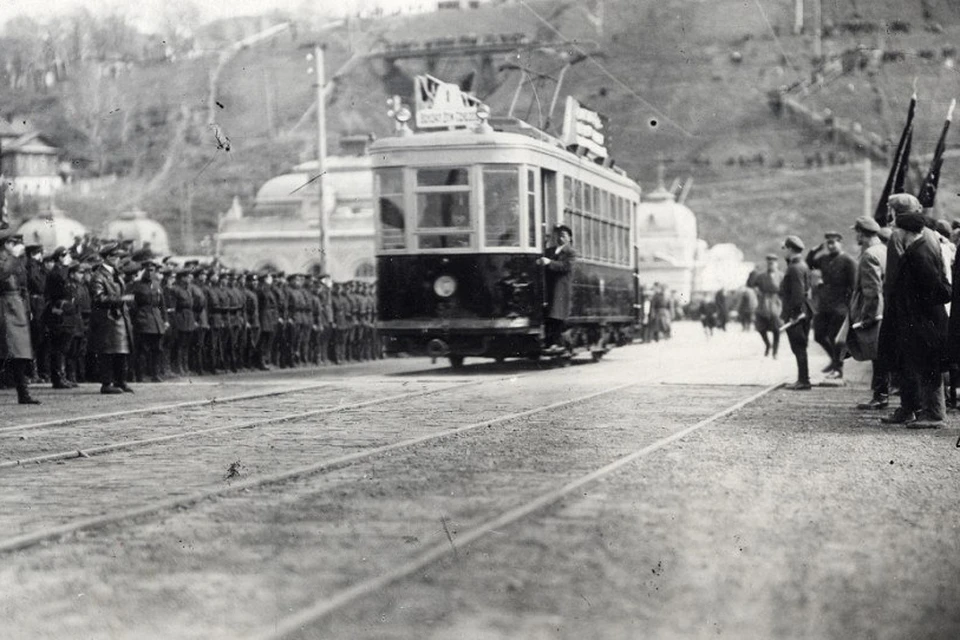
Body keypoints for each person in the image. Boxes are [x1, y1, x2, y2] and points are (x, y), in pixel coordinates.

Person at [881, 198, 950, 428]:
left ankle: (934, 414)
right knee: (922, 364)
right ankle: (926, 411)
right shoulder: (921, 246)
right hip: (924, 318)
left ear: (905, 232)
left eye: (897, 230)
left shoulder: (918, 254)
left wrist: (918, 308)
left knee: (928, 366)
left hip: (924, 320)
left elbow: (939, 290)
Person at [847, 217, 888, 410]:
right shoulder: (883, 250)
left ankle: (880, 396)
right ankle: (881, 394)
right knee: (881, 354)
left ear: (862, 233)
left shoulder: (869, 255)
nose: (856, 236)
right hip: (885, 310)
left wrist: (868, 317)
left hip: (874, 312)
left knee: (876, 354)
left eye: (857, 232)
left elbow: (872, 290)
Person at [806, 231, 857, 380]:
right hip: (825, 304)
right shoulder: (824, 259)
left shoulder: (848, 261)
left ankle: (838, 369)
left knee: (835, 337)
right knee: (819, 335)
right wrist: (814, 250)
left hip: (840, 305)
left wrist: (849, 306)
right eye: (828, 243)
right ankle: (834, 361)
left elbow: (853, 286)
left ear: (840, 243)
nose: (830, 245)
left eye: (833, 242)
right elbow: (810, 263)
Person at [88, 242, 135, 394]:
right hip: (107, 319)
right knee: (108, 352)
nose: (118, 260)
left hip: (119, 317)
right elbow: (98, 298)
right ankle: (106, 383)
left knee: (121, 351)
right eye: (116, 257)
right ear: (108, 257)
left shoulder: (115, 274)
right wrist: (121, 299)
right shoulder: (98, 276)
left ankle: (121, 381)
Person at [0, 229, 40, 404]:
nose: (13, 246)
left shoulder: (15, 261)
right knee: (9, 350)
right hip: (4, 306)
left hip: (16, 305)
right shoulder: (6, 261)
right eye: (10, 243)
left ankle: (23, 393)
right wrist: (13, 258)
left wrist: (27, 307)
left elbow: (24, 284)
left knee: (20, 352)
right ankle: (22, 392)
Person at [779, 235, 813, 390]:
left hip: (796, 314)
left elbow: (798, 294)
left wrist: (794, 315)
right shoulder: (802, 265)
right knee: (800, 347)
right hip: (803, 311)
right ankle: (803, 378)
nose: (784, 252)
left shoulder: (794, 268)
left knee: (798, 347)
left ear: (790, 249)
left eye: (785, 248)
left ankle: (803, 380)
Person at [537, 224, 576, 352]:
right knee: (550, 315)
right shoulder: (550, 250)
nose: (561, 238)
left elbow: (565, 266)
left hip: (560, 288)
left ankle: (556, 343)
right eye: (559, 235)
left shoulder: (570, 252)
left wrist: (549, 262)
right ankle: (550, 343)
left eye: (564, 235)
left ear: (569, 238)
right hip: (550, 287)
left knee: (557, 315)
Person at [752, 254, 782, 357]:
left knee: (776, 328)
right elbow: (754, 285)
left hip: (776, 302)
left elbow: (786, 289)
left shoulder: (781, 275)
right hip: (764, 302)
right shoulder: (761, 276)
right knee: (761, 327)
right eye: (769, 263)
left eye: (772, 263)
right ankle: (768, 345)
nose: (771, 265)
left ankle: (775, 351)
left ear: (776, 264)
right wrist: (757, 291)